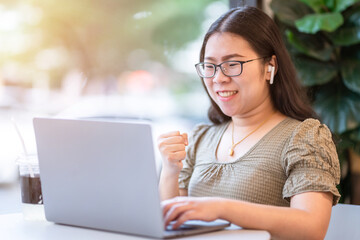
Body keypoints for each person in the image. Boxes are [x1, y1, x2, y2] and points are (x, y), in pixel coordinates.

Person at [157, 6, 340, 240]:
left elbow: (311, 228)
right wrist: (170, 170)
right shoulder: (201, 138)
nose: (218, 78)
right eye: (210, 66)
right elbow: (171, 221)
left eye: (233, 64)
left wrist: (221, 209)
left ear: (269, 66)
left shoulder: (305, 137)